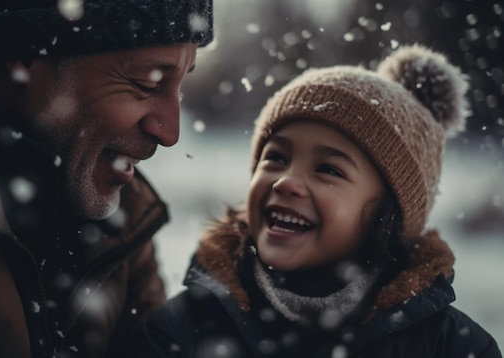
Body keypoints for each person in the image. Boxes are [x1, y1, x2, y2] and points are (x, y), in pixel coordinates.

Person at [0, 0, 213, 357]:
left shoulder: (120, 223)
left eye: (179, 87)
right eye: (145, 84)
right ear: (23, 52)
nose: (170, 132)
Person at [138, 44, 502, 357]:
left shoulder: (449, 347)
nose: (286, 182)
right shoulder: (184, 330)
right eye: (276, 158)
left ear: (391, 213)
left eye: (328, 169)